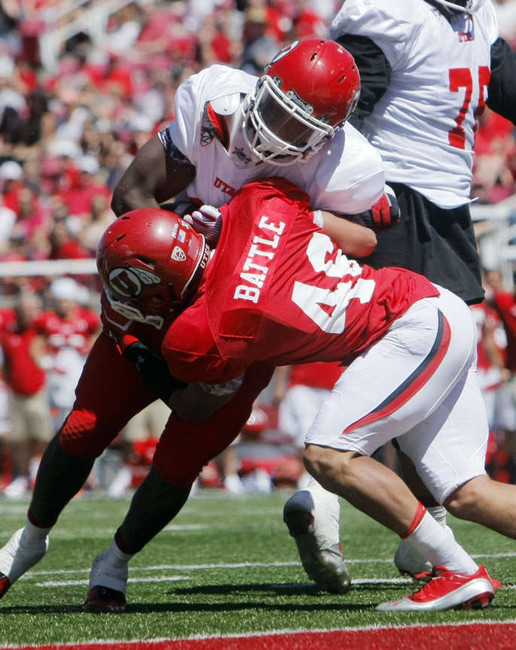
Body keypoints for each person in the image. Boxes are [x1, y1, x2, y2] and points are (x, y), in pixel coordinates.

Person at [0, 39, 391, 610]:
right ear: (262, 84)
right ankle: (27, 543)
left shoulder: (348, 168)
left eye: (299, 125)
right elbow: (130, 195)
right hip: (171, 298)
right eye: (277, 107)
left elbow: (366, 240)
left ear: (329, 136)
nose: (279, 132)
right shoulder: (213, 99)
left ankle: (115, 562)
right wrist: (184, 230)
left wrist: (270, 239)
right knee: (86, 424)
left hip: (246, 322)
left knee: (182, 453)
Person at [94, 178, 512, 611]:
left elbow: (194, 406)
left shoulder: (201, 331)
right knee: (467, 492)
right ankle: (455, 569)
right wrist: (239, 229)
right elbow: (365, 240)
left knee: (328, 454)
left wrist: (134, 350)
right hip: (433, 304)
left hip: (409, 330)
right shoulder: (257, 201)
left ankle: (457, 570)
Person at [283, 0, 516, 590]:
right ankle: (345, 502)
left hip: (416, 209)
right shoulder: (426, 14)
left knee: (408, 368)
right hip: (421, 212)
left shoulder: (440, 14)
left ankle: (346, 501)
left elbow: (343, 105)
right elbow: (343, 103)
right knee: (408, 369)